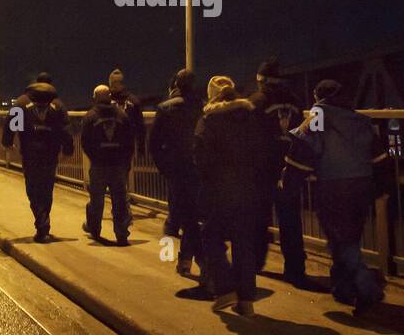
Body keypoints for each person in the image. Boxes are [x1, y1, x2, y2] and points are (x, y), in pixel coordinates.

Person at [283, 79, 388, 313]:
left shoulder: (319, 114)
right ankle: (343, 288)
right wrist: (383, 187)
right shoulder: (359, 118)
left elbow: (303, 149)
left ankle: (367, 287)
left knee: (340, 240)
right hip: (362, 186)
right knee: (350, 237)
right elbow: (379, 157)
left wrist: (290, 182)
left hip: (333, 185)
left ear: (316, 97)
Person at [194, 75, 266, 317]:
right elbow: (260, 152)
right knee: (243, 241)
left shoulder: (209, 120)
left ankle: (225, 289)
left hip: (219, 190)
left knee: (211, 236)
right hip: (247, 188)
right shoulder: (249, 116)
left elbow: (201, 159)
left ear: (212, 94)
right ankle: (246, 300)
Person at [250, 57, 311, 287]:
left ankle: (256, 263)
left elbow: (249, 138)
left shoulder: (256, 102)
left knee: (260, 217)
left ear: (262, 81)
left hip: (263, 170)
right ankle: (295, 270)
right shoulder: (295, 102)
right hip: (289, 168)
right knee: (291, 220)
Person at [1, 72, 73, 243]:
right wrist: (68, 150)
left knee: (33, 189)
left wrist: (8, 143)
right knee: (47, 189)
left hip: (30, 152)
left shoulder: (22, 102)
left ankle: (42, 225)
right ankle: (44, 225)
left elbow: (11, 125)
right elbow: (66, 130)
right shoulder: (57, 105)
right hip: (50, 153)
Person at [148, 69, 205, 276]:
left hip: (175, 169)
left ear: (175, 86)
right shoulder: (201, 108)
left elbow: (153, 143)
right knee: (191, 214)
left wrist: (164, 168)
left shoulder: (165, 108)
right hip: (197, 168)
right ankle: (185, 261)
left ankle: (204, 265)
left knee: (186, 217)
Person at [80, 85, 136, 245]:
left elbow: (85, 142)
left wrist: (94, 157)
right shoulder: (122, 115)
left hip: (99, 165)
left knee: (96, 200)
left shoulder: (90, 116)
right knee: (119, 200)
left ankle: (94, 229)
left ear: (95, 97)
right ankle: (122, 234)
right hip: (118, 165)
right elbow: (129, 141)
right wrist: (125, 160)